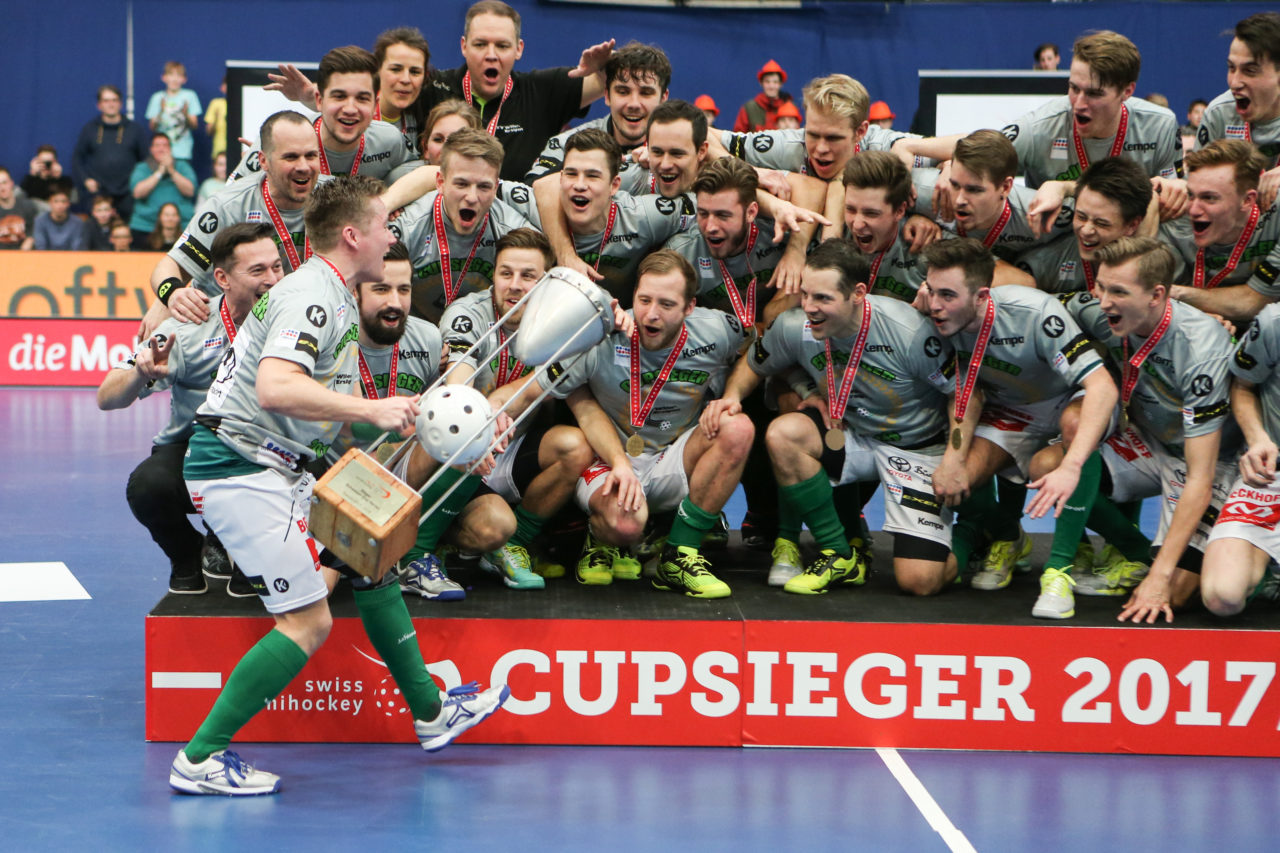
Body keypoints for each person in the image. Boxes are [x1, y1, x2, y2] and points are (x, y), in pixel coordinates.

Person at [173, 175, 508, 796]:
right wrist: (376, 412)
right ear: (354, 236)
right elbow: (276, 388)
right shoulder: (314, 298)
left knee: (369, 552)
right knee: (308, 623)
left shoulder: (332, 289)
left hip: (287, 461)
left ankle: (433, 715)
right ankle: (200, 758)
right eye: (384, 224)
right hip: (240, 467)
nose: (393, 232)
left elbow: (333, 411)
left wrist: (457, 435)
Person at [709, 238, 961, 593]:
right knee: (784, 434)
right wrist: (732, 398)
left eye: (823, 299)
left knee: (920, 582)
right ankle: (839, 553)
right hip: (853, 436)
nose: (810, 307)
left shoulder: (909, 333)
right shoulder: (796, 326)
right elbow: (754, 365)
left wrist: (955, 456)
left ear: (858, 294)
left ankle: (970, 544)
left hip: (916, 449)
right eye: (806, 294)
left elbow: (962, 394)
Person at [533, 250, 753, 594]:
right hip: (608, 459)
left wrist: (732, 395)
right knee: (624, 526)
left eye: (666, 304)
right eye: (644, 300)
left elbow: (758, 351)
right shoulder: (602, 333)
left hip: (673, 456)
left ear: (689, 307)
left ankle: (679, 555)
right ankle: (600, 538)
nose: (651, 314)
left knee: (738, 427)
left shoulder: (717, 330)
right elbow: (557, 388)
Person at [923, 238, 1118, 620]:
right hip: (1012, 410)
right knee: (955, 478)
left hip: (1067, 401)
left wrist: (1071, 465)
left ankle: (1060, 571)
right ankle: (1010, 538)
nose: (934, 305)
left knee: (1055, 455)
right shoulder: (935, 314)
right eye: (930, 290)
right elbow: (967, 393)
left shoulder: (1034, 312)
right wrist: (953, 456)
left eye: (947, 294)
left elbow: (1102, 386)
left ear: (981, 296)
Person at [1049, 237, 1238, 621]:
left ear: (1156, 295)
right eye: (1101, 287)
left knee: (1181, 593)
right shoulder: (1102, 311)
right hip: (1150, 442)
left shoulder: (1201, 350)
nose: (1104, 302)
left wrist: (1160, 576)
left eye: (1118, 291)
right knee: (1048, 466)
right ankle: (1138, 553)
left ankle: (1250, 561)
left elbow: (1200, 477)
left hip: (1211, 460)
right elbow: (1041, 307)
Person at [98, 223, 283, 594]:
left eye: (277, 267)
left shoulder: (293, 315)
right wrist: (140, 370)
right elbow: (107, 397)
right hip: (195, 449)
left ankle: (242, 547)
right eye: (258, 271)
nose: (273, 280)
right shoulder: (187, 327)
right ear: (222, 278)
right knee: (148, 487)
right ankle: (187, 554)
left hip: (271, 449)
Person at [269, 0, 613, 182]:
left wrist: (605, 68)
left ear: (519, 49)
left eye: (502, 45)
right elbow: (365, 101)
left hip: (514, 229)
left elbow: (621, 88)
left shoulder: (545, 89)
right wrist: (311, 96)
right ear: (464, 46)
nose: (491, 54)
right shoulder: (434, 87)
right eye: (481, 44)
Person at [439, 228, 596, 590]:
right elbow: (457, 386)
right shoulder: (467, 314)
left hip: (511, 449)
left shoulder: (563, 324)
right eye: (505, 273)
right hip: (465, 447)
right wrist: (483, 417)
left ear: (546, 282)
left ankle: (514, 545)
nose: (514, 285)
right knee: (490, 526)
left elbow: (542, 391)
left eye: (528, 276)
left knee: (575, 447)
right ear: (493, 275)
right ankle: (435, 543)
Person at [138, 111, 321, 339]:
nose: (303, 166)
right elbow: (168, 266)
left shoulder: (334, 198)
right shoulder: (228, 204)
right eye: (291, 157)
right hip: (226, 327)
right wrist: (171, 296)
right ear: (263, 161)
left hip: (293, 321)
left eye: (311, 156)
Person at [522, 128, 695, 306]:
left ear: (614, 186)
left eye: (592, 176)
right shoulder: (534, 211)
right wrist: (565, 254)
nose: (579, 185)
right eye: (571, 174)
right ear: (560, 178)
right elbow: (510, 186)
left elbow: (710, 204)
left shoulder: (644, 216)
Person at [390, 128, 533, 323]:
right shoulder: (408, 227)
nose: (472, 198)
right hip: (411, 334)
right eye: (461, 184)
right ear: (440, 182)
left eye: (484, 186)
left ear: (496, 188)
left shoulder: (513, 230)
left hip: (483, 335)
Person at [1201, 300, 1280, 616]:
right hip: (1272, 474)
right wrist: (1258, 438)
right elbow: (1243, 386)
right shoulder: (1274, 321)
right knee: (1222, 596)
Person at [231, 46, 409, 184]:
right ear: (319, 100)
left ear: (374, 105)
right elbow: (229, 199)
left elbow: (424, 173)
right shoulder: (280, 138)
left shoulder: (390, 140)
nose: (350, 109)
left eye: (362, 98)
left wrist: (392, 199)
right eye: (339, 96)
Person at [717, 73, 917, 183]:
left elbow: (948, 148)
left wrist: (946, 168)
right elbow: (704, 136)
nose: (820, 148)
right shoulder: (789, 144)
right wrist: (756, 174)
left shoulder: (880, 146)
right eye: (812, 134)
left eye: (833, 138)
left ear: (860, 132)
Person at [912, 129, 1074, 264]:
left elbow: (1098, 205)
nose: (959, 200)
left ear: (1005, 187)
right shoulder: (923, 190)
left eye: (974, 190)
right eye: (954, 185)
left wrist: (1064, 187)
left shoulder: (1041, 211)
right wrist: (910, 217)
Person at [1164, 139, 1280, 327]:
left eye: (1209, 198)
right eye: (1191, 195)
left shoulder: (1276, 215)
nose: (1193, 210)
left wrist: (1175, 294)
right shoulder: (1172, 213)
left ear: (1247, 200)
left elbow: (1255, 301)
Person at [524, 41, 671, 184]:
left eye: (645, 93)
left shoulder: (678, 150)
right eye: (623, 91)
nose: (633, 104)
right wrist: (583, 162)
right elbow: (532, 189)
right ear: (607, 95)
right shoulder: (567, 143)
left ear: (663, 98)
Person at [1016, 156, 1156, 294]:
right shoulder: (1043, 263)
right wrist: (1060, 186)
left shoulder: (1167, 251)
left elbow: (1153, 198)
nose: (1086, 231)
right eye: (1081, 217)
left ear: (1132, 225)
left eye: (1101, 223)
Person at [1194, 13, 1280, 206]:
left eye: (1250, 71)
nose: (1234, 83)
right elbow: (1196, 189)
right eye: (1231, 68)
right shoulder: (1219, 114)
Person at [72, 85, 148, 221]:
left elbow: (145, 160)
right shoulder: (90, 129)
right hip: (98, 193)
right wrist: (86, 180)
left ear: (121, 103)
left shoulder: (135, 129)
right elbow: (77, 158)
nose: (111, 104)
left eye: (114, 100)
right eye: (106, 101)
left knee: (125, 235)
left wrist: (138, 183)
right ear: (99, 105)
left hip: (127, 193)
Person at [129, 133, 196, 250]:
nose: (161, 149)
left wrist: (171, 170)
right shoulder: (142, 167)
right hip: (146, 226)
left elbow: (190, 191)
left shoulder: (182, 166)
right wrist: (159, 172)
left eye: (165, 145)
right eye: (157, 145)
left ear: (170, 149)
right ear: (151, 149)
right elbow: (137, 193)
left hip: (180, 228)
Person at [373, 27, 431, 157]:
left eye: (415, 72)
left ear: (425, 76)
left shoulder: (425, 111)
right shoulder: (357, 114)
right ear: (378, 70)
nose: (405, 80)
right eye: (395, 69)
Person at [146, 61, 202, 165]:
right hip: (161, 152)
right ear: (164, 77)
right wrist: (161, 111)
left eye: (178, 75)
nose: (174, 79)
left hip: (182, 151)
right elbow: (152, 127)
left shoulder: (190, 96)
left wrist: (185, 115)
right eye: (171, 74)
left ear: (184, 79)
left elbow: (194, 125)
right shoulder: (157, 97)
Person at [733, 59, 794, 133]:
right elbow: (738, 136)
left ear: (781, 84)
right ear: (761, 83)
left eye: (775, 82)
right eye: (767, 82)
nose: (771, 86)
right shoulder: (749, 108)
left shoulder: (789, 106)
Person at [419, 100, 482, 167]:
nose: (446, 150)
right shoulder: (409, 176)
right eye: (438, 140)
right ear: (425, 148)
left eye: (458, 141)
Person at [33, 183, 89, 251]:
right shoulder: (40, 221)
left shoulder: (77, 222)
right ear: (50, 203)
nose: (60, 205)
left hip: (71, 259)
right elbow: (40, 246)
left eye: (63, 202)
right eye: (56, 201)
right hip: (46, 259)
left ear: (68, 204)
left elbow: (76, 247)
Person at [0, 166, 39, 250]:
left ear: (11, 183)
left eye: (4, 183)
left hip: (25, 257)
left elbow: (36, 230)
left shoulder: (28, 206)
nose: (2, 188)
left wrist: (30, 240)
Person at [204, 77, 228, 164]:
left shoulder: (243, 102)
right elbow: (208, 132)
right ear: (222, 87)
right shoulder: (216, 103)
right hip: (219, 150)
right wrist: (215, 119)